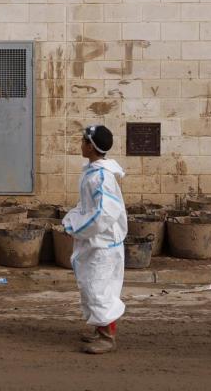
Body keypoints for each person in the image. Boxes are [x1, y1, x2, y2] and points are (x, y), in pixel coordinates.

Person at [61, 124, 127, 354]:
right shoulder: (91, 172)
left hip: (102, 244)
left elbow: (104, 213)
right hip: (94, 242)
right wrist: (71, 220)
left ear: (91, 146)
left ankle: (107, 338)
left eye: (83, 141)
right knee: (91, 287)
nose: (80, 145)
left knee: (99, 289)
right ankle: (99, 329)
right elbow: (86, 206)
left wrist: (77, 229)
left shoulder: (101, 177)